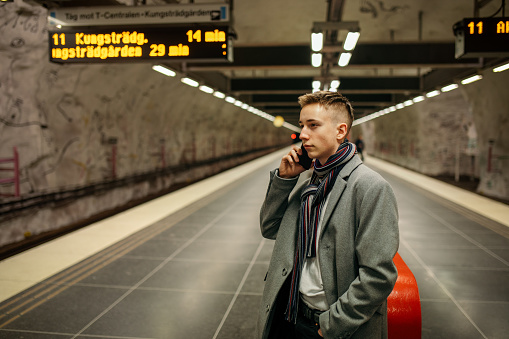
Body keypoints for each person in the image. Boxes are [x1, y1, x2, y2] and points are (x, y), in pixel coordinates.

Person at [257, 91, 399, 339]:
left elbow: (378, 276)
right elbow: (270, 228)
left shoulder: (369, 187)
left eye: (313, 125)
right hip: (292, 314)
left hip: (334, 327)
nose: (302, 134)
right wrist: (284, 181)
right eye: (302, 125)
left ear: (340, 131)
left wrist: (331, 326)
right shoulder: (309, 186)